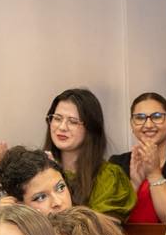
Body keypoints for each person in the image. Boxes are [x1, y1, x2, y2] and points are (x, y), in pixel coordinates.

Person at [43, 88, 132, 218]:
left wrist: (57, 180)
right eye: (57, 118)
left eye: (73, 121)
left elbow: (99, 231)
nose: (62, 127)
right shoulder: (37, 171)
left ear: (91, 128)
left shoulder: (108, 177)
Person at [109, 92, 166, 226]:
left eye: (157, 117)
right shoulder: (116, 162)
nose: (149, 124)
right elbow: (110, 222)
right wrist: (133, 184)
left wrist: (154, 174)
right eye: (140, 118)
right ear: (132, 124)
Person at [0, 145, 75, 214]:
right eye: (41, 197)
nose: (58, 202)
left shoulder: (86, 228)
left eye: (60, 187)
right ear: (18, 206)